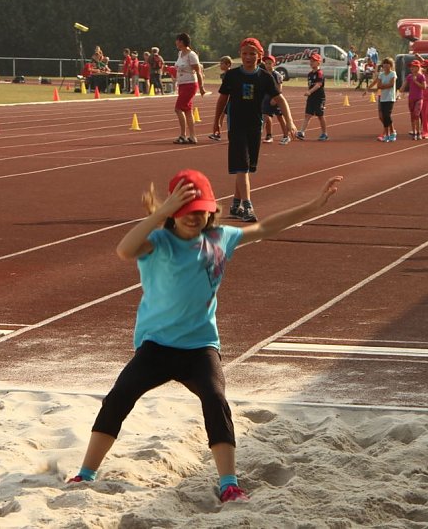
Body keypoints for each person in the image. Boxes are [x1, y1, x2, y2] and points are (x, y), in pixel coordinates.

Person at [67, 168, 343, 504]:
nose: (194, 218)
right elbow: (124, 251)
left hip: (200, 347)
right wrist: (160, 213)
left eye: (201, 211)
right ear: (173, 213)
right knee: (120, 395)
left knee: (215, 399)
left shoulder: (220, 238)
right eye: (186, 212)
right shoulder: (157, 242)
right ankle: (87, 472)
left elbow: (267, 226)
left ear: (211, 210)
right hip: (156, 346)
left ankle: (228, 482)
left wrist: (314, 204)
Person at [213, 37, 298, 223]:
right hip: (236, 125)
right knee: (242, 166)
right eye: (244, 53)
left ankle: (235, 204)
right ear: (239, 55)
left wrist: (290, 122)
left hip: (254, 125)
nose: (248, 57)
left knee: (245, 167)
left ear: (259, 56)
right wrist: (216, 122)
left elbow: (281, 99)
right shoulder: (232, 76)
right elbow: (222, 100)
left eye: (252, 54)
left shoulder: (265, 77)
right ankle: (247, 206)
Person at [172, 33, 206, 144]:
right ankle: (192, 136)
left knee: (178, 108)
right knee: (187, 110)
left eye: (177, 40)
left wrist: (201, 87)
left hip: (190, 84)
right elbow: (178, 68)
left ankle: (183, 135)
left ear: (181, 41)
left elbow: (198, 72)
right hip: (182, 84)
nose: (176, 42)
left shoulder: (192, 55)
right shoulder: (180, 53)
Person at [295, 53, 328, 141]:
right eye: (311, 61)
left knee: (320, 116)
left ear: (318, 63)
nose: (311, 63)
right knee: (307, 115)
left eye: (313, 61)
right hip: (311, 97)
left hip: (319, 97)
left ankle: (324, 133)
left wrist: (309, 91)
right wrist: (309, 92)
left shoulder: (319, 73)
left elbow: (318, 84)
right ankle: (301, 132)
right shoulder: (309, 74)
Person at [364, 57, 396, 142]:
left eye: (387, 63)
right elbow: (376, 83)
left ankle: (390, 133)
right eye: (384, 63)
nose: (385, 65)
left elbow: (391, 84)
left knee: (387, 115)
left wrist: (382, 86)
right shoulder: (381, 74)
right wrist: (367, 89)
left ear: (391, 65)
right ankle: (389, 132)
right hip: (382, 97)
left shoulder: (393, 74)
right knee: (381, 116)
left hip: (390, 97)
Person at [260, 55, 289, 145]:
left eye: (270, 63)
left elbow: (279, 88)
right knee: (265, 116)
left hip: (275, 99)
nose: (268, 65)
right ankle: (269, 135)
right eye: (266, 63)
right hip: (266, 98)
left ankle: (286, 136)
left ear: (274, 64)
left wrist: (275, 99)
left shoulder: (277, 74)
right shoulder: (263, 74)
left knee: (280, 117)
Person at [398, 60, 425, 140]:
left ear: (418, 67)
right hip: (411, 99)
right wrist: (401, 89)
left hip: (419, 98)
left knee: (417, 115)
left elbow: (424, 87)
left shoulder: (421, 76)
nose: (412, 68)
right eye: (411, 67)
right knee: (412, 116)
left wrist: (416, 81)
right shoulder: (409, 76)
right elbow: (404, 85)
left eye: (414, 66)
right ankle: (414, 132)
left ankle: (418, 132)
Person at [208, 55, 233, 142]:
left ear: (228, 64)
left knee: (228, 116)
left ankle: (224, 133)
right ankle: (217, 133)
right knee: (221, 116)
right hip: (226, 97)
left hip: (230, 99)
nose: (220, 65)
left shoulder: (231, 74)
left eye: (222, 64)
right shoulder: (223, 75)